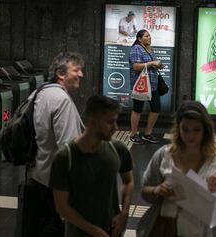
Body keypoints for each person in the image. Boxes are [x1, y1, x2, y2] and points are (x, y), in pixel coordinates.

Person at [140, 101, 216, 237]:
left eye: (196, 129)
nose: (190, 135)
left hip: (207, 231)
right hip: (168, 228)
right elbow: (145, 191)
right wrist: (157, 190)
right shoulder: (164, 155)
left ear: (205, 129)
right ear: (178, 128)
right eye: (185, 129)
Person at [50, 95, 134, 237]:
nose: (116, 128)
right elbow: (62, 207)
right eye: (110, 122)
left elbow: (128, 181)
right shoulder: (65, 157)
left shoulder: (117, 149)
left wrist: (124, 214)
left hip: (111, 232)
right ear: (92, 121)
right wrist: (94, 231)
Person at [27, 52, 85, 236]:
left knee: (41, 225)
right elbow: (68, 148)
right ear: (61, 74)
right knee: (55, 227)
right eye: (77, 70)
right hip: (55, 182)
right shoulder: (62, 101)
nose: (81, 74)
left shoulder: (38, 93)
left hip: (37, 174)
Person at [129, 29, 164, 144]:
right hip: (141, 85)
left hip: (153, 85)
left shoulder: (150, 49)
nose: (149, 38)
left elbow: (151, 64)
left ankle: (148, 133)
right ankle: (133, 134)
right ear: (139, 39)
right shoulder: (136, 49)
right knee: (137, 109)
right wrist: (152, 63)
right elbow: (136, 66)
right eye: (146, 36)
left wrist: (157, 65)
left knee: (156, 108)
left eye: (149, 36)